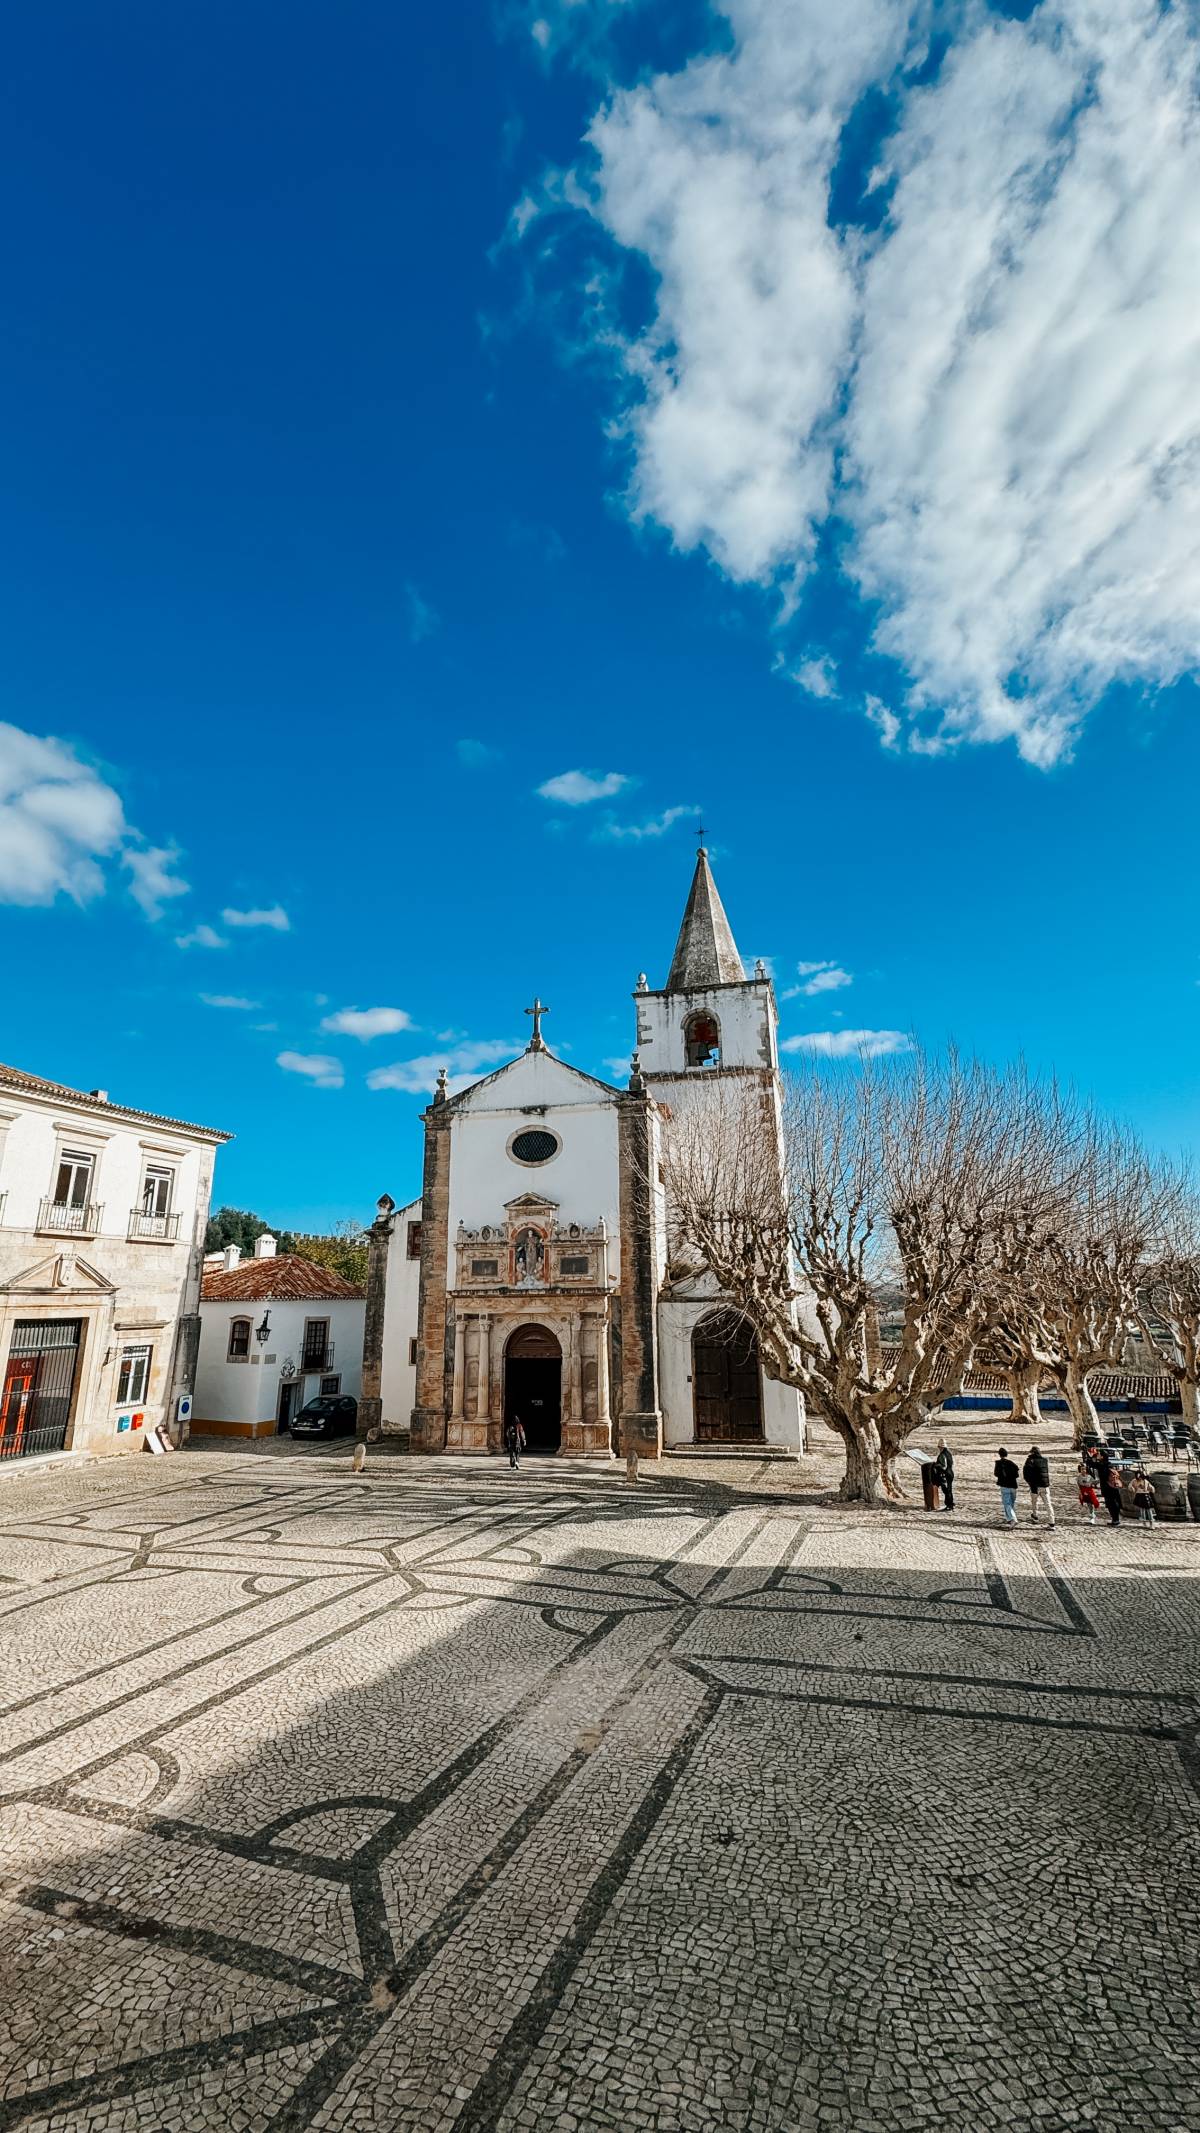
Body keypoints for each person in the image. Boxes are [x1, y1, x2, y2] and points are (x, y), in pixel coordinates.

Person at [1022, 1444, 1056, 1528]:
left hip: (1035, 1486)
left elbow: (1025, 1473)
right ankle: (1052, 1522)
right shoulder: (1045, 1460)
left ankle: (1035, 1516)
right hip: (1045, 1485)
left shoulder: (1030, 1460)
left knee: (1034, 1502)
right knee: (1048, 1503)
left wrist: (1029, 1482)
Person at [994, 1447, 1019, 1526]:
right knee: (1011, 1503)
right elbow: (1017, 1474)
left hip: (1004, 1485)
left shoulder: (998, 1463)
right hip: (1013, 1485)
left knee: (1007, 1503)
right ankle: (1009, 1518)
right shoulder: (1011, 1463)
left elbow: (996, 1474)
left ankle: (1012, 1519)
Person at [1076, 1460, 1100, 1526]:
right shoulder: (1079, 1478)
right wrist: (1080, 1493)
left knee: (1091, 1504)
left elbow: (1094, 1482)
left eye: (1085, 1469)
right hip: (1084, 1492)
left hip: (1090, 1492)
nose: (1084, 1470)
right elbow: (1078, 1486)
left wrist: (1098, 1480)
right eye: (1082, 1469)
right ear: (1080, 1470)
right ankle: (1091, 1516)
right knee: (1089, 1504)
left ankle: (1092, 1516)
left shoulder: (1089, 1477)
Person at [934, 1438, 955, 1512]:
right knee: (949, 1490)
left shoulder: (942, 1455)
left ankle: (949, 1505)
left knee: (946, 1491)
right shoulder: (949, 1453)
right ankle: (951, 1505)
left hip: (945, 1475)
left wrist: (936, 1465)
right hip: (950, 1473)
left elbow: (944, 1466)